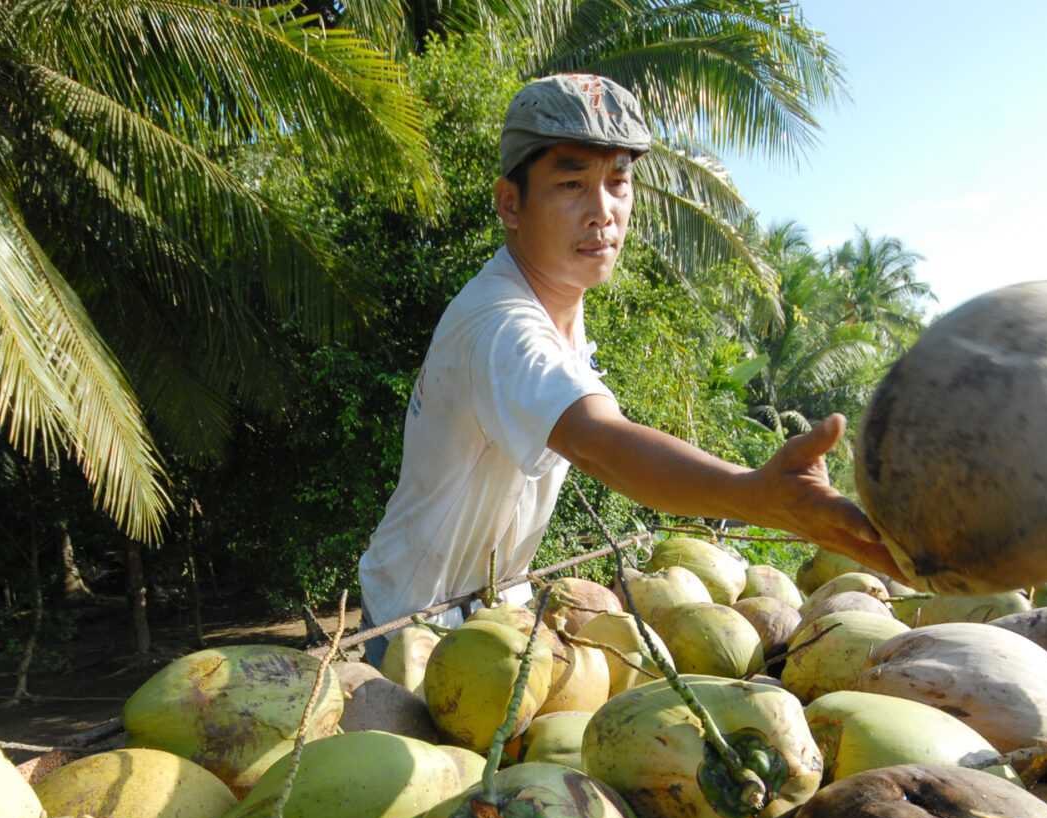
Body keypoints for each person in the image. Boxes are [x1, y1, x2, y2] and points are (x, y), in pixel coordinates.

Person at [356, 73, 894, 662]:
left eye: (618, 182)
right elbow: (599, 441)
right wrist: (754, 494)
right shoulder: (501, 325)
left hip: (486, 611)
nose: (603, 212)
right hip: (413, 629)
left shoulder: (556, 302)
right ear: (511, 203)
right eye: (571, 183)